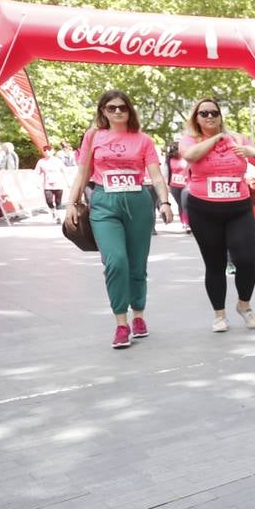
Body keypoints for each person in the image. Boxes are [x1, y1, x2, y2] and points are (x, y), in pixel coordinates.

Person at [64, 90, 174, 348]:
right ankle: (121, 323)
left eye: (122, 108)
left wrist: (165, 201)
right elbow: (82, 173)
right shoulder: (93, 136)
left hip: (137, 201)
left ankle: (138, 316)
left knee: (137, 264)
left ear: (129, 111)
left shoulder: (143, 140)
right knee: (116, 261)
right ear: (103, 111)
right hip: (104, 202)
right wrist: (71, 203)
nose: (117, 112)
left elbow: (156, 175)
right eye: (111, 107)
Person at [179, 97, 255, 332]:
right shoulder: (191, 139)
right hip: (204, 209)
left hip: (238, 208)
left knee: (246, 260)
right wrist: (217, 137)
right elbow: (190, 156)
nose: (210, 116)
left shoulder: (239, 139)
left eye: (214, 113)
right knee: (215, 264)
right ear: (196, 118)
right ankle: (219, 315)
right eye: (204, 113)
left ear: (220, 116)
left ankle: (244, 305)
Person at [35, 145, 67, 222]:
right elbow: (37, 173)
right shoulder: (41, 161)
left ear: (53, 151)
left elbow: (64, 171)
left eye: (49, 150)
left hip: (58, 184)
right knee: (49, 201)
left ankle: (58, 217)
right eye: (45, 151)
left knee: (58, 202)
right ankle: (53, 212)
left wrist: (67, 182)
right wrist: (37, 183)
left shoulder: (58, 161)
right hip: (47, 185)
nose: (47, 152)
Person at [165, 143, 191, 232]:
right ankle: (184, 223)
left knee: (185, 204)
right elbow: (167, 172)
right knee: (180, 204)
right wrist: (166, 185)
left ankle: (188, 223)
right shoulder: (169, 159)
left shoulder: (187, 158)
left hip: (186, 185)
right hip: (174, 185)